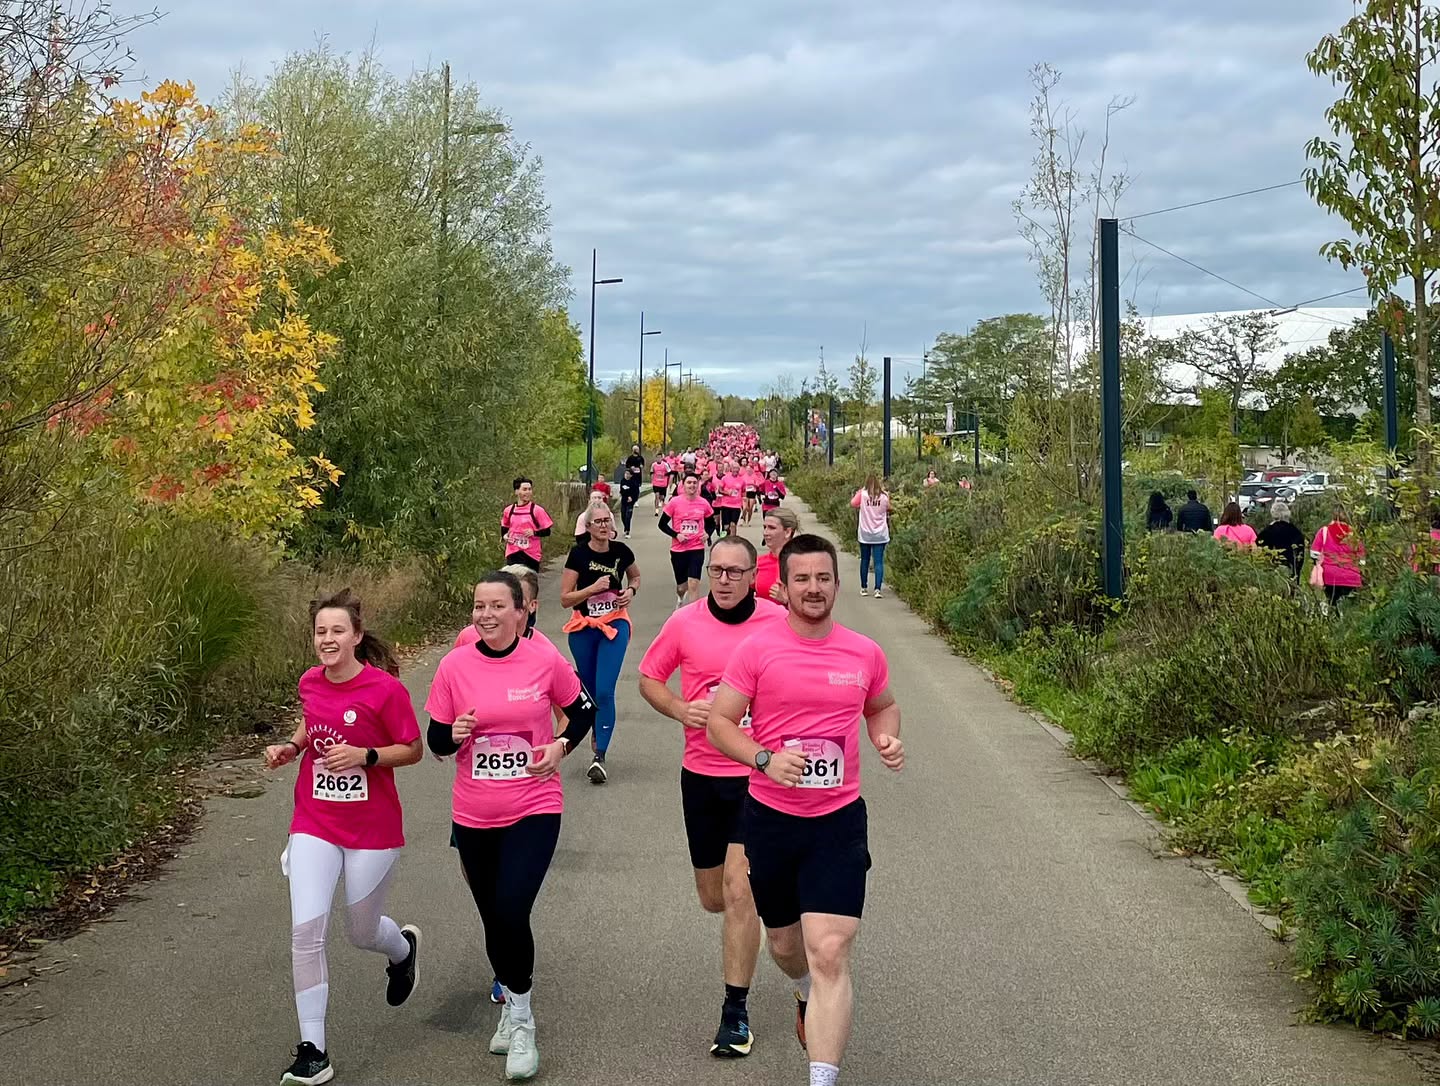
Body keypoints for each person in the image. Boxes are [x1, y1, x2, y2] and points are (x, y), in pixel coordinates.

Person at [707, 534, 903, 1086]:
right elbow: (720, 723)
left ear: (837, 585)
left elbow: (883, 706)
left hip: (838, 822)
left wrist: (886, 738)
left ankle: (822, 1077)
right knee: (787, 945)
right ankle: (803, 990)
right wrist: (765, 759)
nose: (813, 588)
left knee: (830, 950)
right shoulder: (757, 650)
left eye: (823, 578)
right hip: (771, 820)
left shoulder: (864, 652)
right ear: (785, 586)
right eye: (802, 579)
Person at [426, 571, 598, 1082]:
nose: (486, 615)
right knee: (494, 918)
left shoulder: (544, 659)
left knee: (510, 907)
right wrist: (454, 734)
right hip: (474, 813)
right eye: (479, 606)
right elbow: (435, 741)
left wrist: (561, 746)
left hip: (534, 806)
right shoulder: (455, 665)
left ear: (521, 612)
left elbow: (582, 711)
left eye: (498, 605)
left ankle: (522, 1020)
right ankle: (511, 1006)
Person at [264, 589, 425, 1086]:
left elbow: (412, 749)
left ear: (356, 636)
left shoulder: (385, 690)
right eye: (320, 632)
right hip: (314, 821)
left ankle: (402, 951)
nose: (328, 639)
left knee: (361, 931)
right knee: (305, 935)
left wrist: (365, 756)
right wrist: (292, 747)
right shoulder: (310, 681)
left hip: (372, 829)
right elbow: (312, 721)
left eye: (337, 630)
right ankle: (313, 1052)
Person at [637, 536, 787, 1058]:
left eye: (734, 572)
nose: (723, 580)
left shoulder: (777, 623)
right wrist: (680, 709)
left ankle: (735, 1013)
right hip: (701, 774)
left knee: (739, 890)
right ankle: (757, 915)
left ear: (752, 577)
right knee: (713, 897)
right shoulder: (685, 623)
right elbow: (650, 678)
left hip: (757, 774)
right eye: (716, 570)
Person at [561, 504, 640, 783]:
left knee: (605, 690)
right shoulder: (579, 554)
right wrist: (592, 589)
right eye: (599, 521)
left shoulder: (621, 551)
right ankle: (596, 728)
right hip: (584, 627)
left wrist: (630, 591)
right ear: (589, 527)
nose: (604, 525)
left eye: (607, 520)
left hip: (615, 625)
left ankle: (600, 756)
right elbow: (565, 598)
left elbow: (635, 576)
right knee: (590, 691)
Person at [661, 472, 716, 607]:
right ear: (683, 485)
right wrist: (676, 535)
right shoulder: (674, 502)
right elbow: (662, 524)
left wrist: (707, 534)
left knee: (693, 583)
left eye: (695, 483)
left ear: (698, 485)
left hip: (697, 548)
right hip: (678, 549)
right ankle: (680, 598)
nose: (692, 485)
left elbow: (711, 523)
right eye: (689, 483)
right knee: (682, 587)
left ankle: (693, 613)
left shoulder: (703, 503)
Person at [1310, 513, 1364, 609]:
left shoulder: (1324, 531)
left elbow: (1314, 553)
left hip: (1330, 576)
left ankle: (1334, 615)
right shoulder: (1353, 534)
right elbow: (1362, 559)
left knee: (1332, 603)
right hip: (1352, 576)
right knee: (1351, 608)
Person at [501, 477, 554, 573]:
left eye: (530, 489)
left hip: (531, 554)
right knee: (513, 580)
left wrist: (534, 532)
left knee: (529, 581)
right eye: (524, 489)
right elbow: (504, 527)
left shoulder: (537, 510)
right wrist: (505, 536)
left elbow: (547, 531)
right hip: (513, 552)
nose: (528, 492)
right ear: (516, 491)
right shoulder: (509, 510)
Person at [850, 473, 891, 599]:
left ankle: (864, 588)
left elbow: (853, 503)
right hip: (880, 534)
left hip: (865, 534)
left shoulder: (862, 495)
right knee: (878, 562)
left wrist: (860, 491)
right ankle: (877, 589)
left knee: (865, 560)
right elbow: (888, 508)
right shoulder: (884, 496)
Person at [757, 506, 799, 604]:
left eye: (771, 528)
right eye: (765, 527)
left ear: (787, 532)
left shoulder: (801, 564)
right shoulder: (758, 563)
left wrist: (787, 601)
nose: (765, 533)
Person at [1256, 501, 1306, 580]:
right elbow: (1300, 554)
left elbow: (1259, 550)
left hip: (1273, 573)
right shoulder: (1296, 532)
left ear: (1273, 513)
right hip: (1292, 571)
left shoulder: (1267, 532)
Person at [717, 461, 745, 536]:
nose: (736, 470)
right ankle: (724, 539)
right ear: (731, 469)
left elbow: (743, 492)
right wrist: (727, 493)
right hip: (726, 505)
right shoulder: (725, 478)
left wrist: (744, 504)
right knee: (726, 526)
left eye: (737, 468)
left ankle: (733, 540)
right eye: (734, 468)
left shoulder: (742, 480)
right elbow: (719, 490)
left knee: (733, 525)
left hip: (736, 506)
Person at [619, 463, 641, 538]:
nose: (626, 475)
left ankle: (628, 531)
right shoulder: (622, 481)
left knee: (628, 516)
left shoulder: (634, 483)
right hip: (624, 501)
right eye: (626, 474)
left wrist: (632, 498)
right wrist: (625, 496)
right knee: (623, 516)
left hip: (630, 502)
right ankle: (625, 527)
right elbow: (622, 491)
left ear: (631, 475)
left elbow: (636, 493)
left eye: (628, 474)